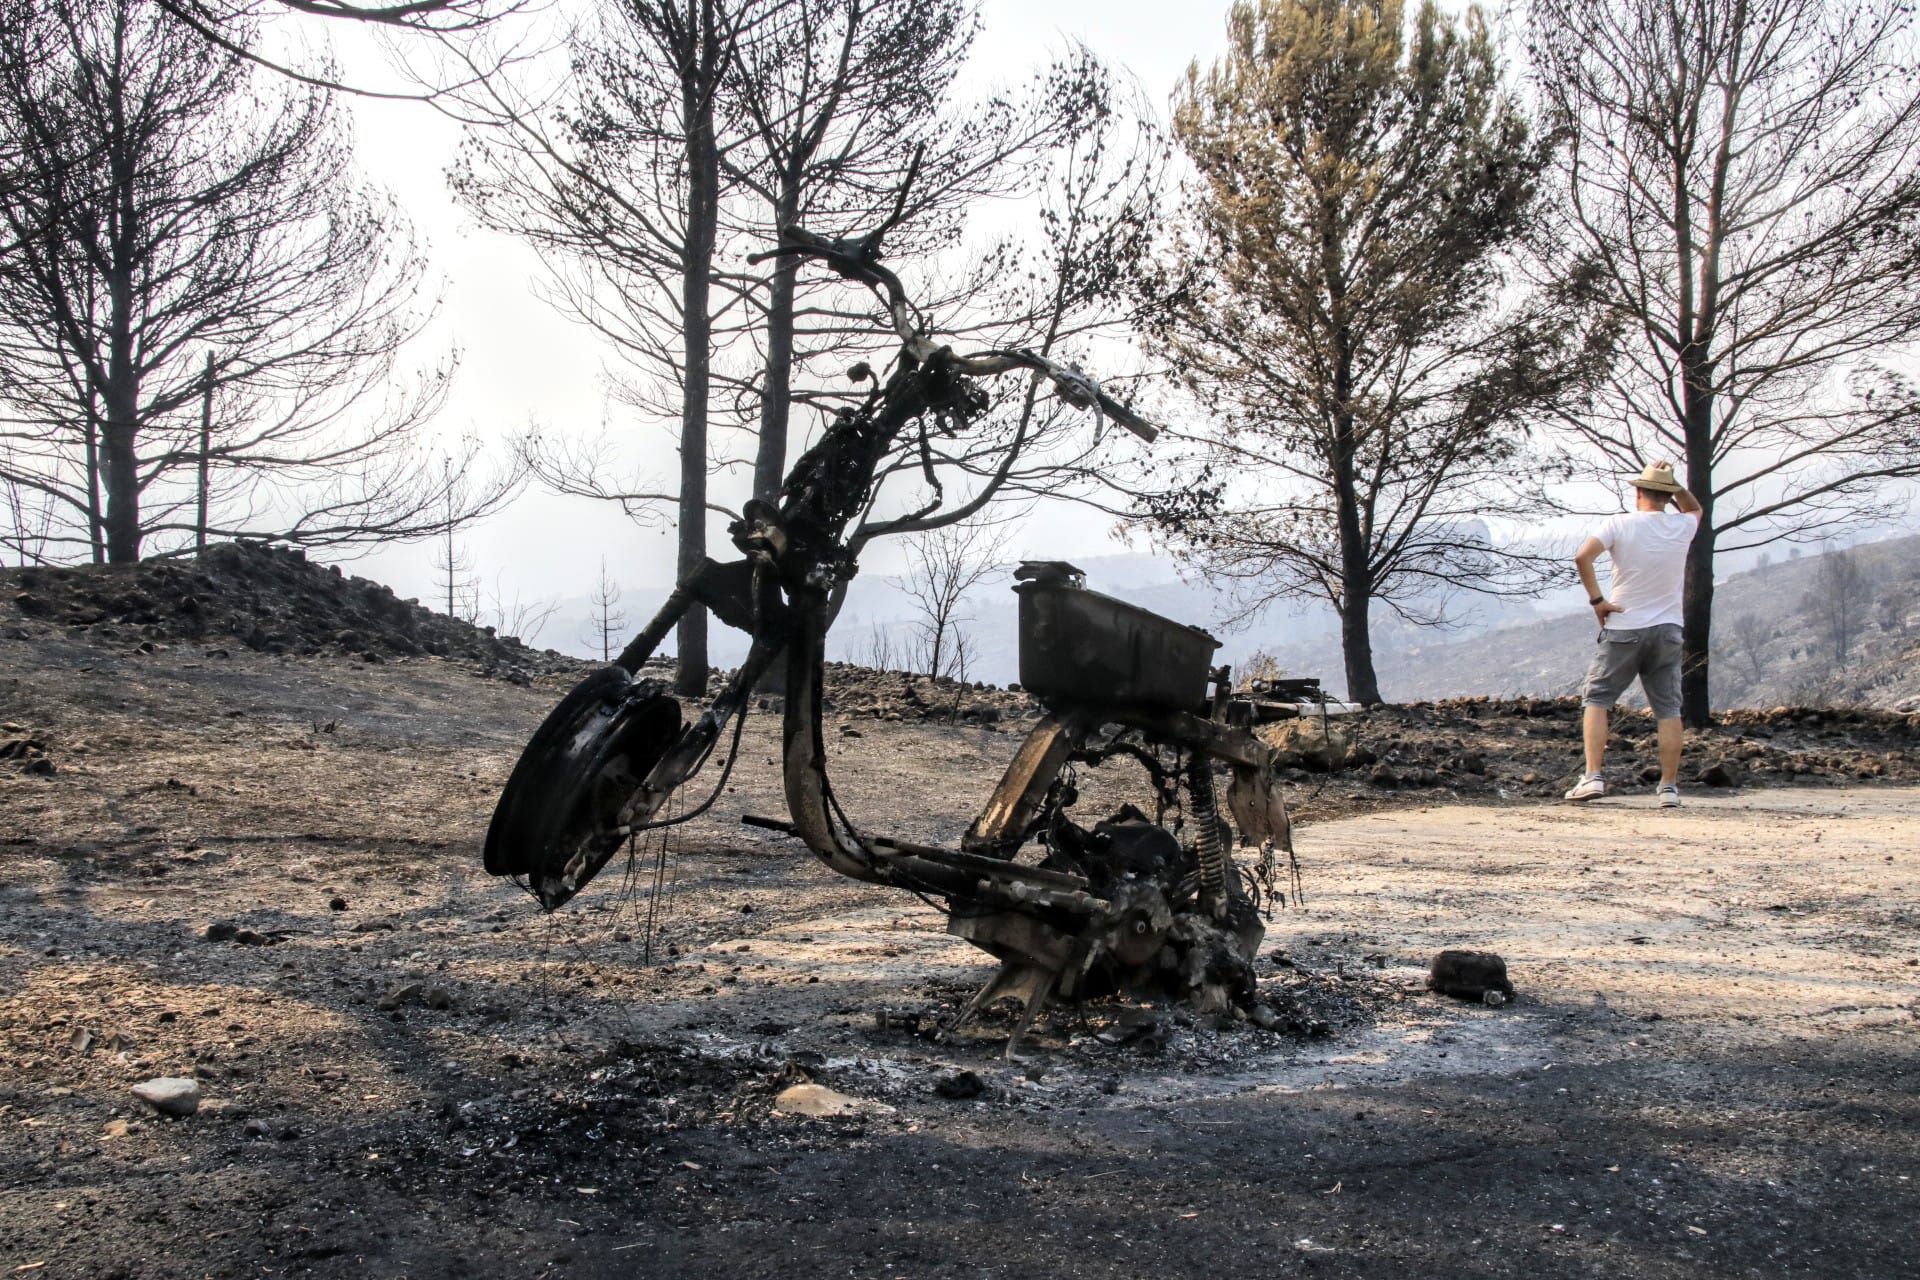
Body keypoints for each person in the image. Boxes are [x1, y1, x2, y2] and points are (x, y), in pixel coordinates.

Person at [1565, 460, 1702, 806]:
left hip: (1624, 625)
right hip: (1668, 628)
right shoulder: (1682, 526)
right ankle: (1669, 788)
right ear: (1668, 497)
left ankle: (1593, 776)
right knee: (1668, 708)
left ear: (1638, 492)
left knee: (1597, 698)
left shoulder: (1619, 524)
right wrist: (1673, 483)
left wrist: (1598, 600)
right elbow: (1695, 507)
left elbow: (1582, 557)